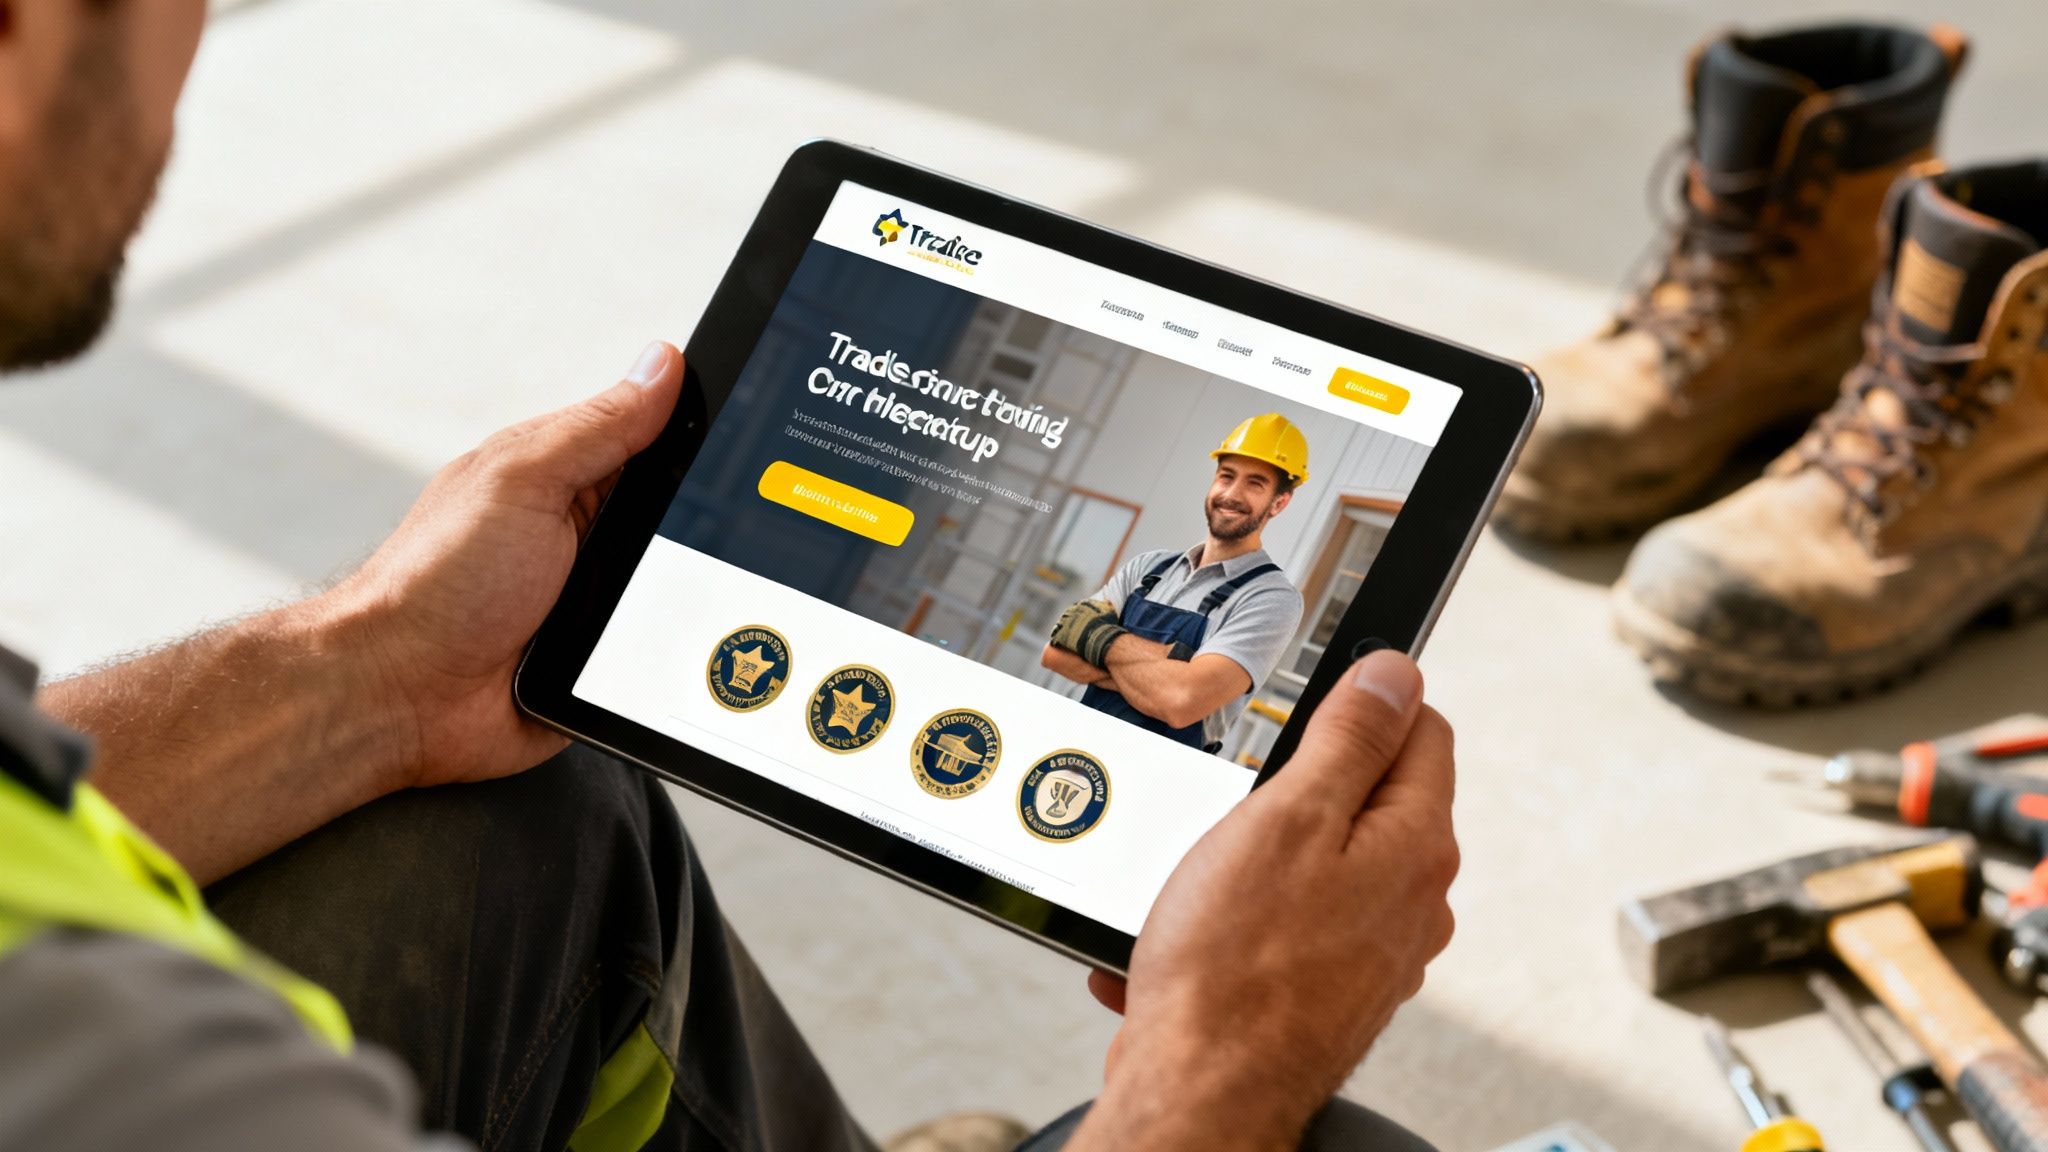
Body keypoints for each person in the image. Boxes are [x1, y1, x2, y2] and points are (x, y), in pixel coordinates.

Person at [0, 4, 1460, 1151]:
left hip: (1133, 784)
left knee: (532, 792)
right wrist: (1215, 1071)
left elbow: (1163, 676)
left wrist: (372, 666)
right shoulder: (113, 1064)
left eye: (1263, 481)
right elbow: (1112, 667)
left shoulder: (1207, 577)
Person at [1044, 414, 1308, 756]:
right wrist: (1170, 667)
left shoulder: (1272, 599)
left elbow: (1181, 704)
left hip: (1159, 772)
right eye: (1226, 476)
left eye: (1255, 483)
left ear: (1279, 502)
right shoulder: (1148, 566)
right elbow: (1056, 653)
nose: (1231, 494)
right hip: (1075, 743)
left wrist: (1096, 639)